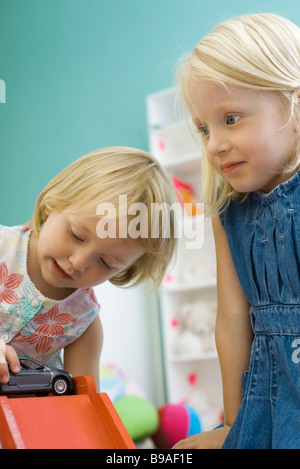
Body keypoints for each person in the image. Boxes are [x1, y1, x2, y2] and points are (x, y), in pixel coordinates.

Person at [173, 13, 300, 449]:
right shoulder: (229, 212)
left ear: (293, 106)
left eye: (230, 119)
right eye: (204, 128)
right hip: (267, 399)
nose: (213, 144)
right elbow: (230, 320)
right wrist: (233, 425)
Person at [0, 147, 176, 392]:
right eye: (77, 235)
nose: (79, 262)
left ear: (124, 270)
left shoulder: (82, 324)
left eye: (106, 263)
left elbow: (82, 410)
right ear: (53, 203)